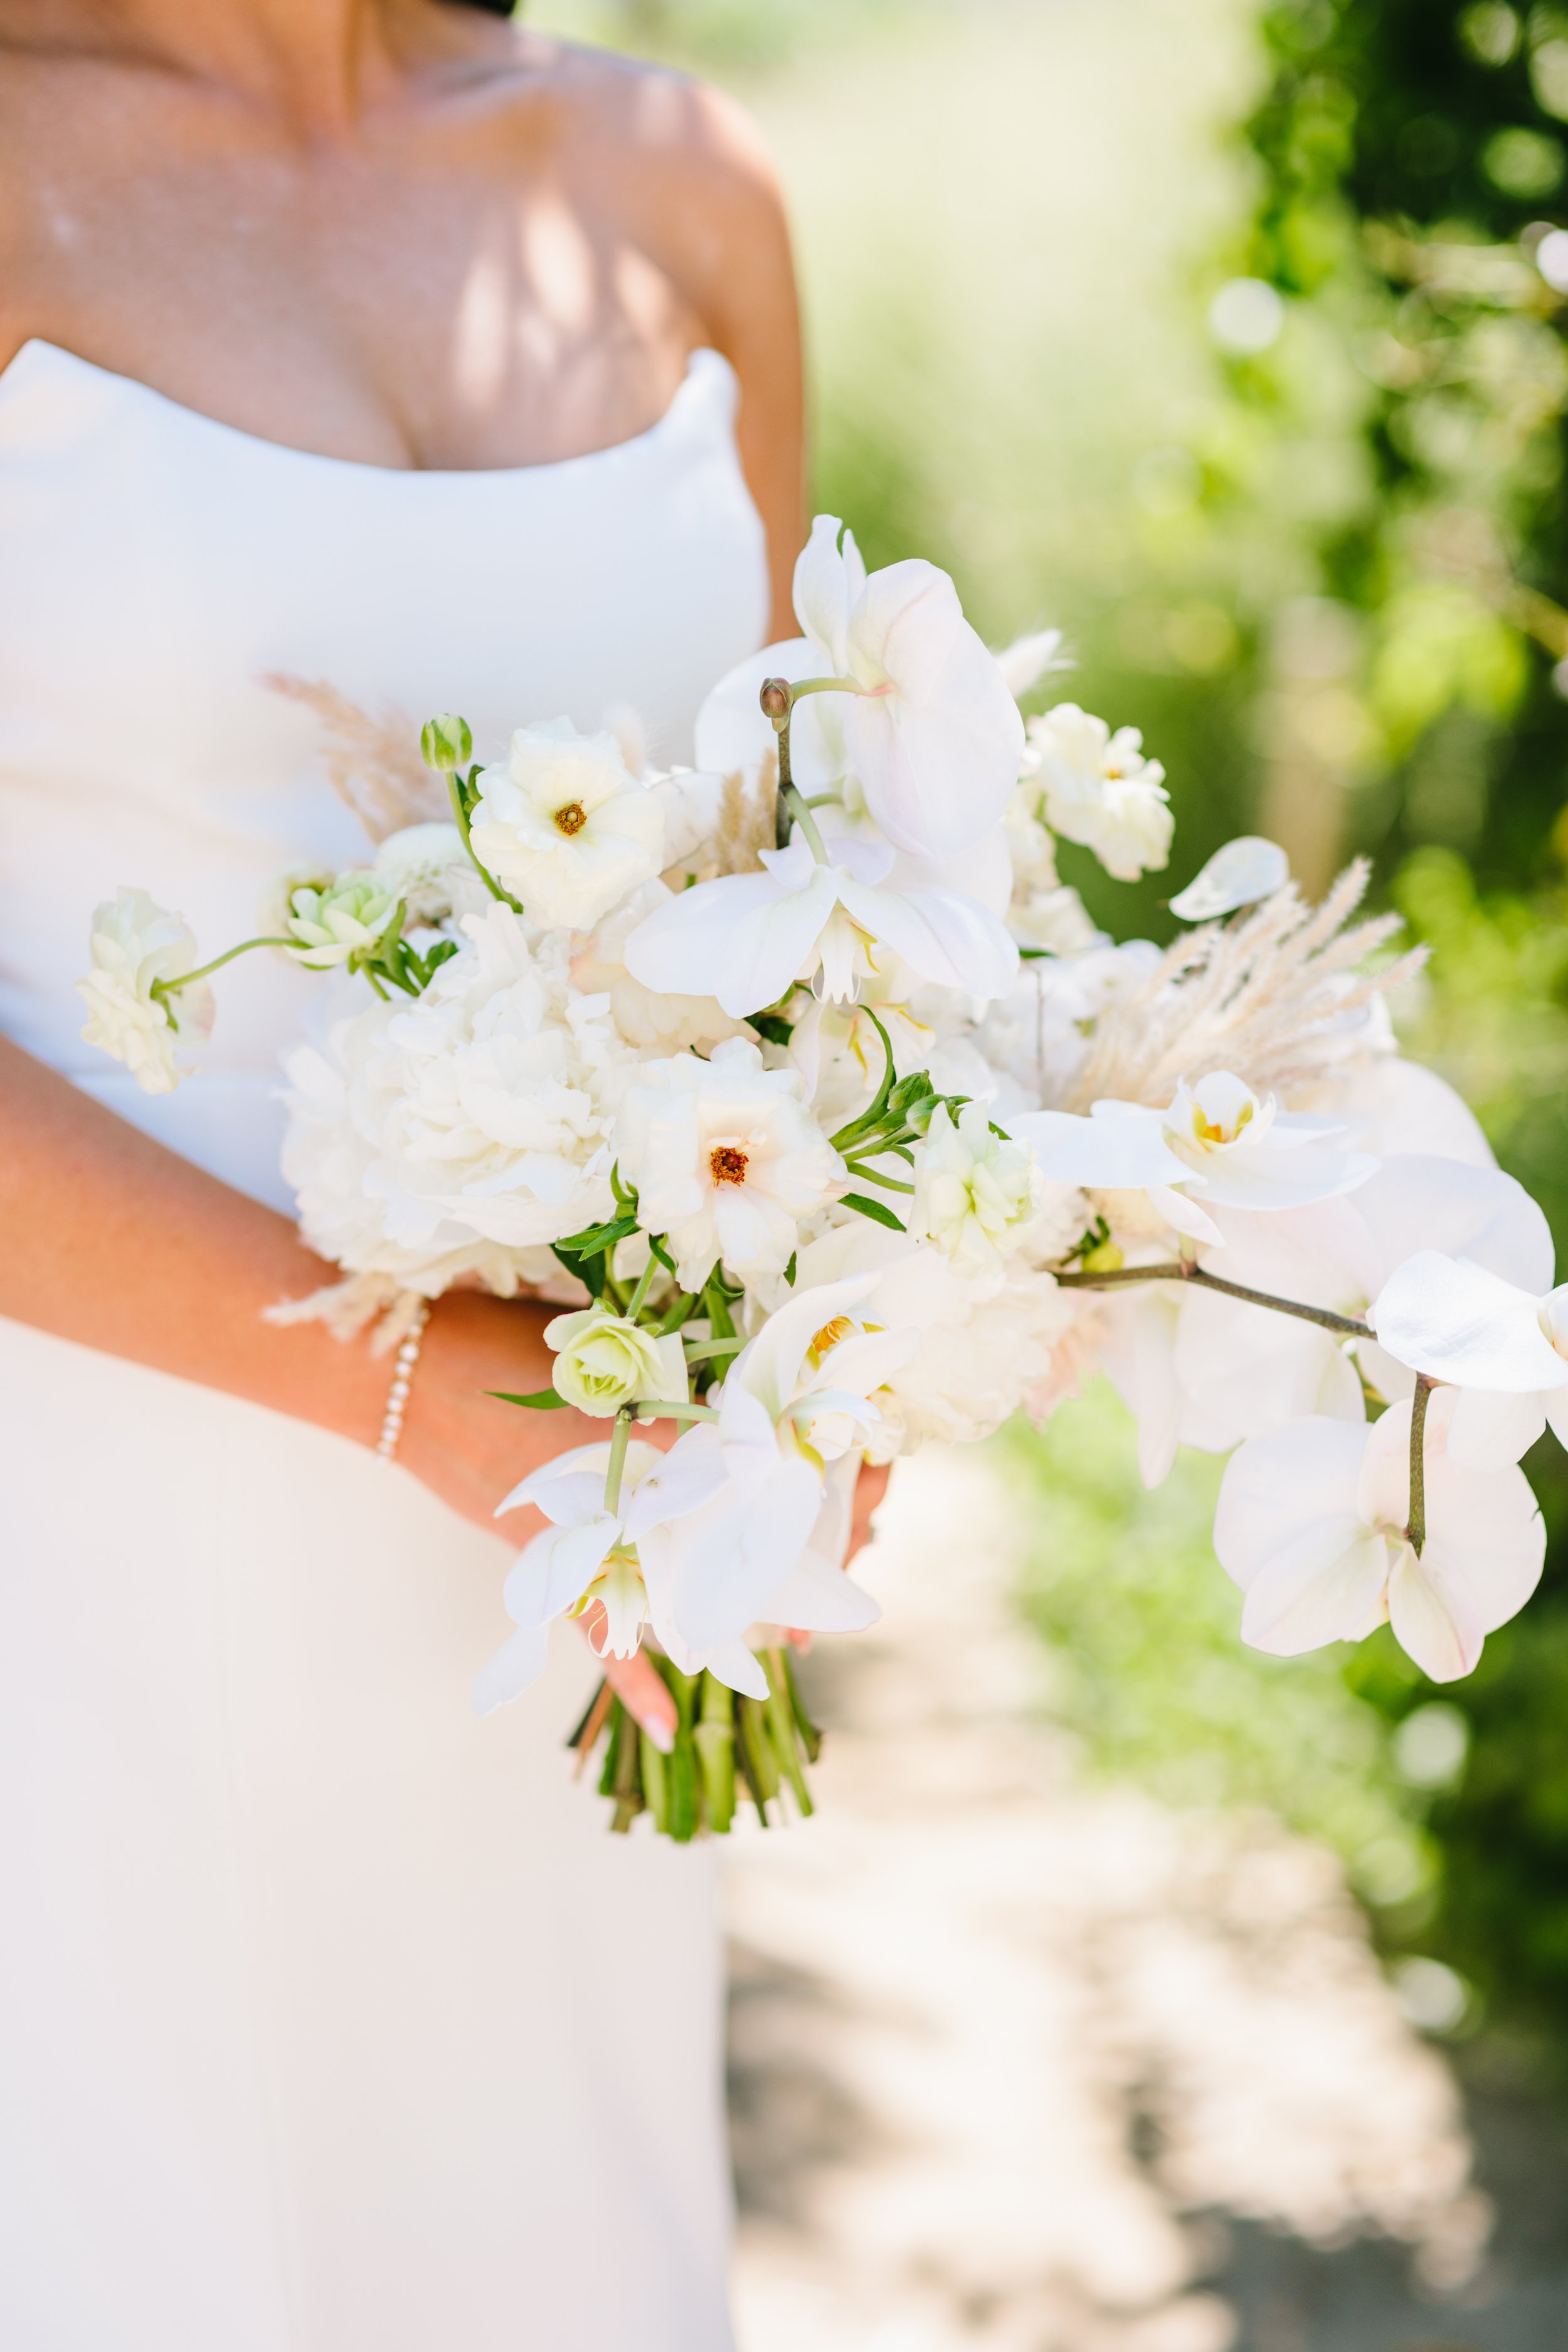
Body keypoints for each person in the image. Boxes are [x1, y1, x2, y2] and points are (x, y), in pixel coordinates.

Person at [0, 5, 873, 2343]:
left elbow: (790, 893)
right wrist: (453, 1408)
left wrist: (838, 1333)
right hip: (92, 1586)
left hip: (582, 1595)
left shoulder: (676, 177)